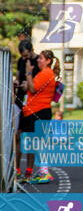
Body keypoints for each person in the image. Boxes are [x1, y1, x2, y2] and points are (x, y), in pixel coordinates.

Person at [20, 50, 58, 183]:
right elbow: (32, 87)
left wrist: (28, 73)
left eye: (41, 58)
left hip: (40, 111)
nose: (38, 60)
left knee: (38, 143)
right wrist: (27, 83)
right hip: (34, 111)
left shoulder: (47, 73)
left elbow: (33, 89)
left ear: (48, 61)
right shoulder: (43, 74)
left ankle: (45, 172)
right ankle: (42, 171)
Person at [14, 39, 40, 180]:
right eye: (22, 56)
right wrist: (18, 82)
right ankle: (17, 169)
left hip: (32, 102)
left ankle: (29, 171)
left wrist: (29, 83)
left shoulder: (38, 61)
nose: (24, 59)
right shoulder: (20, 61)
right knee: (17, 135)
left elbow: (38, 83)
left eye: (26, 55)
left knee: (31, 138)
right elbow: (19, 76)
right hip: (20, 100)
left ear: (31, 50)